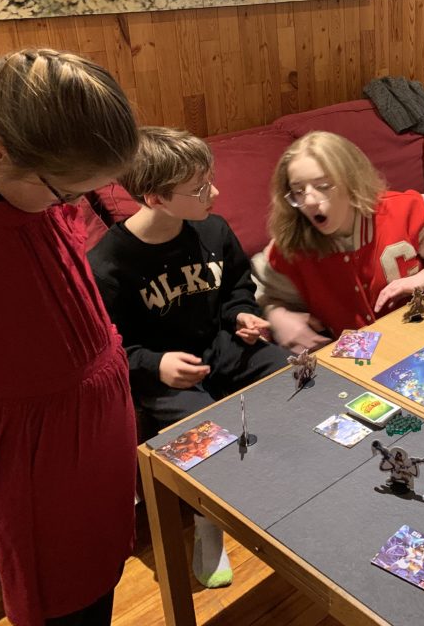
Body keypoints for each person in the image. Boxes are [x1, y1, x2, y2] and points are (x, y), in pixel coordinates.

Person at [0, 49, 139, 625]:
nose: (72, 205)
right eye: (67, 193)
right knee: (65, 603)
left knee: (101, 584)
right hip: (35, 467)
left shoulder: (35, 200)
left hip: (94, 438)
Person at [87, 126, 290, 589]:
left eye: (210, 180)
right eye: (200, 188)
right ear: (156, 198)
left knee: (283, 373)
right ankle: (206, 521)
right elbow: (108, 348)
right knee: (202, 435)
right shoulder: (108, 264)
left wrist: (243, 316)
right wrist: (154, 365)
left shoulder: (213, 229)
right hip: (161, 370)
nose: (214, 193)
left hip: (218, 345)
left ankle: (280, 476)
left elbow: (237, 287)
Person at [253, 131, 424, 351]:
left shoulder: (407, 210)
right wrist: (277, 316)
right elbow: (259, 294)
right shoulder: (290, 243)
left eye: (323, 186)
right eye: (298, 191)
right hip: (360, 361)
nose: (310, 201)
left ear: (351, 181)